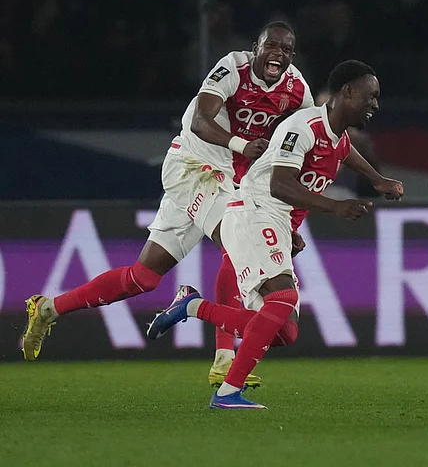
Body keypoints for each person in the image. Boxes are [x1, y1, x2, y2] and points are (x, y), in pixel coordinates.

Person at [22, 21, 314, 389]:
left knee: (141, 278)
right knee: (238, 240)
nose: (278, 55)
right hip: (194, 167)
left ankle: (48, 307)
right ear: (255, 47)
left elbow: (305, 141)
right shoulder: (232, 68)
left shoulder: (297, 90)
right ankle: (225, 358)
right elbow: (199, 120)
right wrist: (240, 145)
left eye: (286, 50)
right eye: (271, 46)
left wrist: (291, 220)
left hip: (226, 181)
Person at [146, 60, 404, 409]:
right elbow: (279, 184)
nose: (375, 104)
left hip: (275, 221)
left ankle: (192, 306)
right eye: (371, 96)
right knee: (281, 299)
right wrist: (335, 206)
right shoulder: (304, 126)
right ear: (348, 92)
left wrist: (377, 179)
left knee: (285, 330)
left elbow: (344, 151)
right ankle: (227, 393)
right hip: (254, 212)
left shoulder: (334, 133)